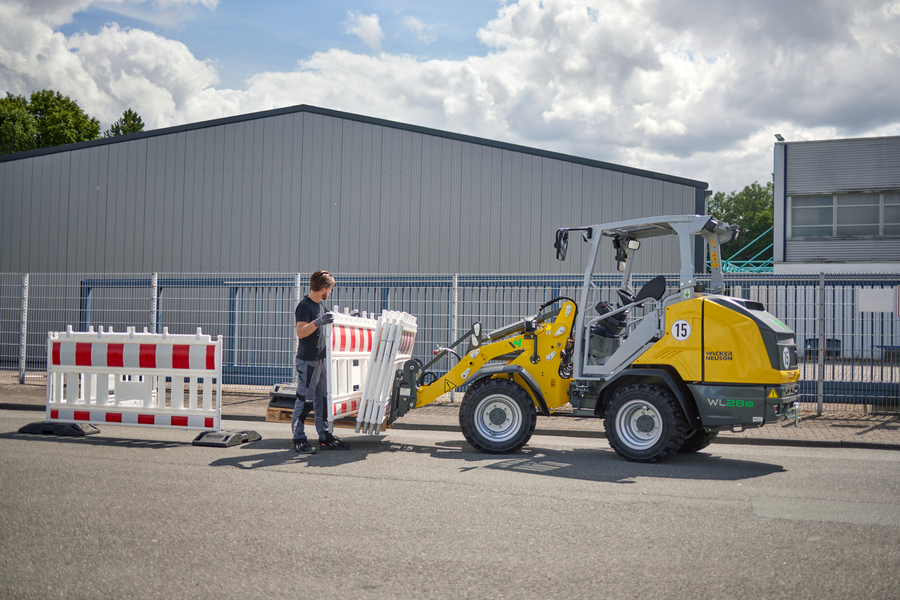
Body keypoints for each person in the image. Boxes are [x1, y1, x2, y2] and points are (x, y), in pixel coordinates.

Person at [291, 270, 351, 453]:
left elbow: (328, 321)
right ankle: (298, 438)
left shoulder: (321, 306)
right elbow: (300, 332)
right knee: (305, 401)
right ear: (323, 288)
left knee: (322, 400)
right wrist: (318, 322)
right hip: (307, 362)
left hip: (321, 360)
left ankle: (324, 436)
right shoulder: (305, 306)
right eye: (330, 289)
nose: (331, 292)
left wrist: (349, 318)